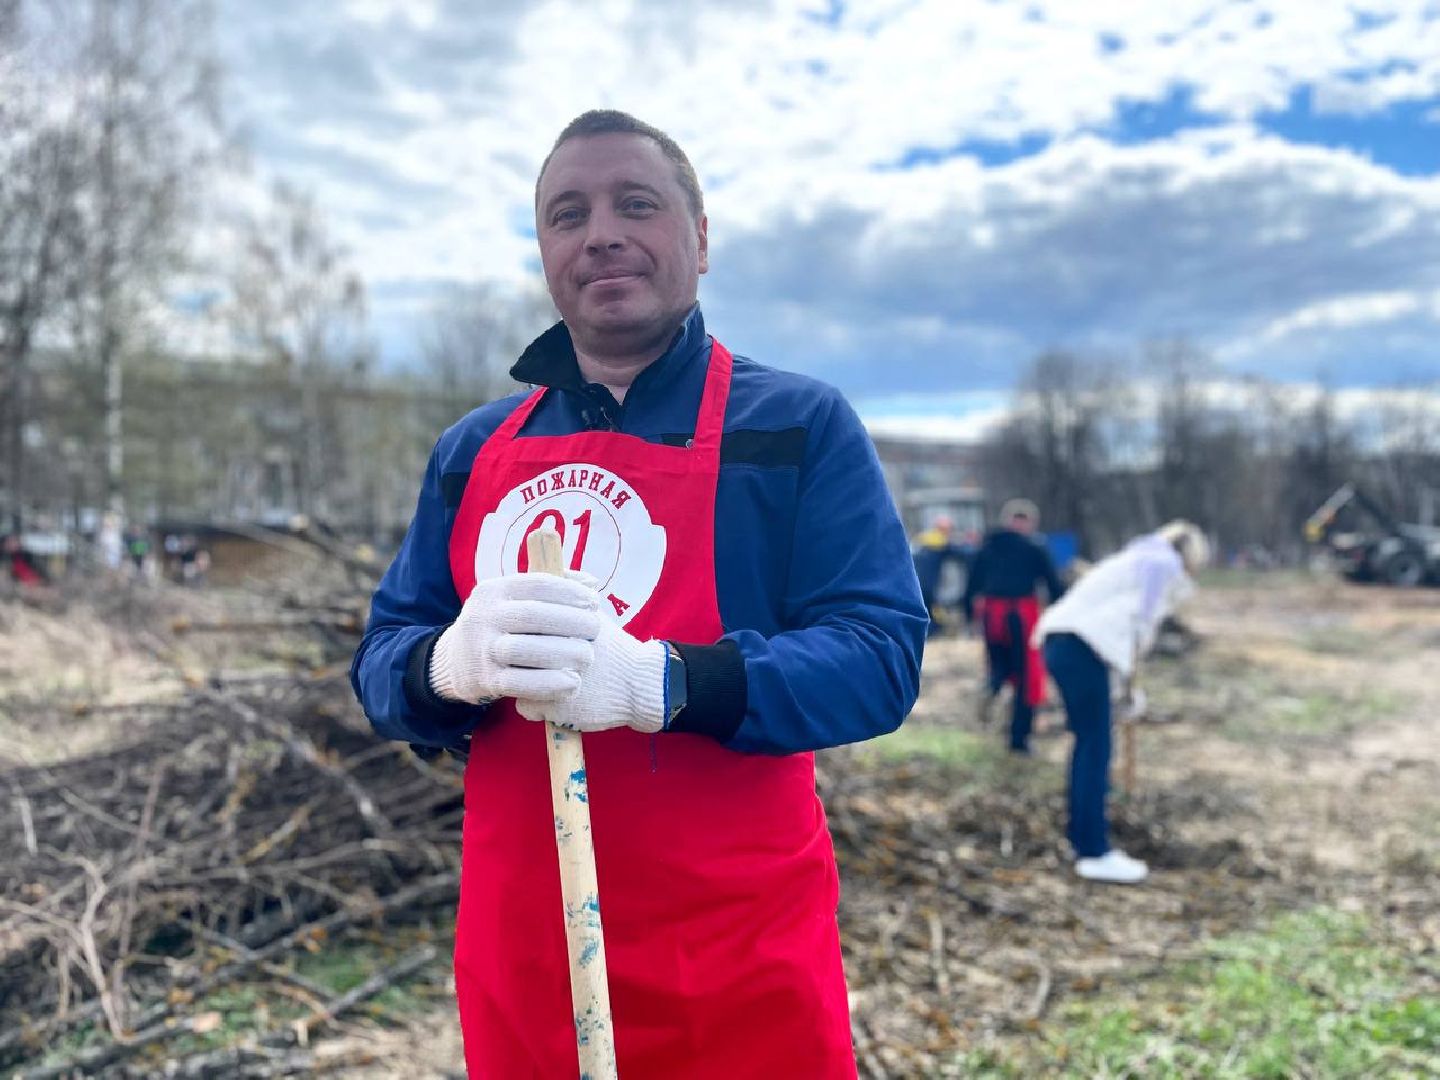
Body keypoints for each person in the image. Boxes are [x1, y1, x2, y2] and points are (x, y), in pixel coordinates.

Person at [350, 109, 926, 1077]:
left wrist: (664, 681)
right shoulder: (471, 451)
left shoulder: (795, 425)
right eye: (566, 214)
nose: (601, 232)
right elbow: (382, 657)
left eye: (638, 203)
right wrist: (444, 664)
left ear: (699, 238)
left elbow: (881, 657)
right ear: (544, 254)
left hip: (740, 954)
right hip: (526, 948)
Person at [1034, 520, 1209, 885]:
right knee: (1096, 747)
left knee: (1088, 744)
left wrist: (1121, 690)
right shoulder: (1163, 567)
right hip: (1084, 647)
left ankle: (1083, 839)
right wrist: (1128, 691)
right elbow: (1137, 629)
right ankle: (1093, 851)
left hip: (1061, 641)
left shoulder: (1135, 558)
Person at [961, 498, 1065, 753]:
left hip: (992, 616)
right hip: (1021, 617)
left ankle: (991, 689)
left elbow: (971, 585)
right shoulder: (1034, 547)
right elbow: (1053, 585)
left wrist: (968, 617)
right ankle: (1019, 739)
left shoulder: (987, 546)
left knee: (998, 667)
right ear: (1028, 523)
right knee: (1026, 677)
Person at [911, 514, 965, 636]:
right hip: (930, 587)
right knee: (933, 617)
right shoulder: (940, 543)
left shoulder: (921, 540)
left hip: (916, 585)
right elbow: (961, 554)